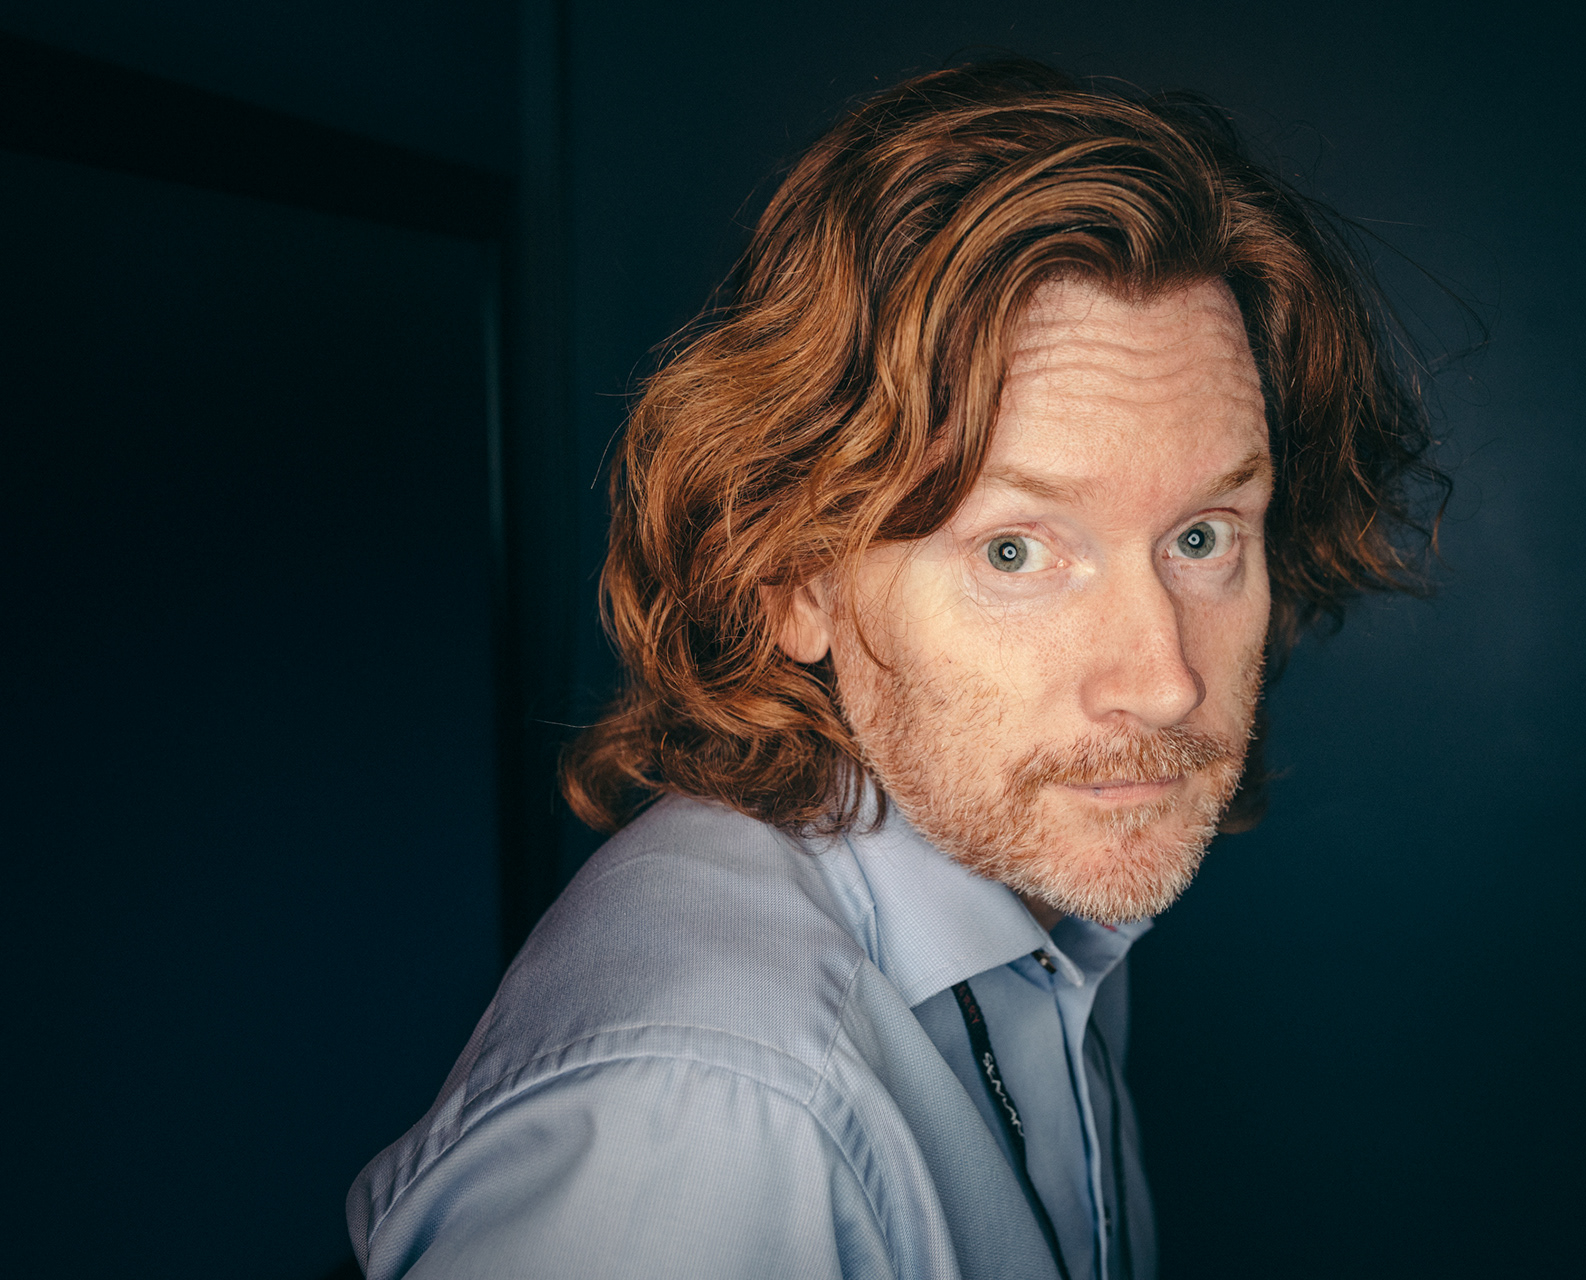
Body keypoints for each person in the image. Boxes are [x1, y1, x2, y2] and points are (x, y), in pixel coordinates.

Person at [348, 58, 1440, 1280]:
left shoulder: (1041, 875)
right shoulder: (706, 1117)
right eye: (1016, 549)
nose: (1163, 678)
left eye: (1201, 536)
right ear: (793, 577)